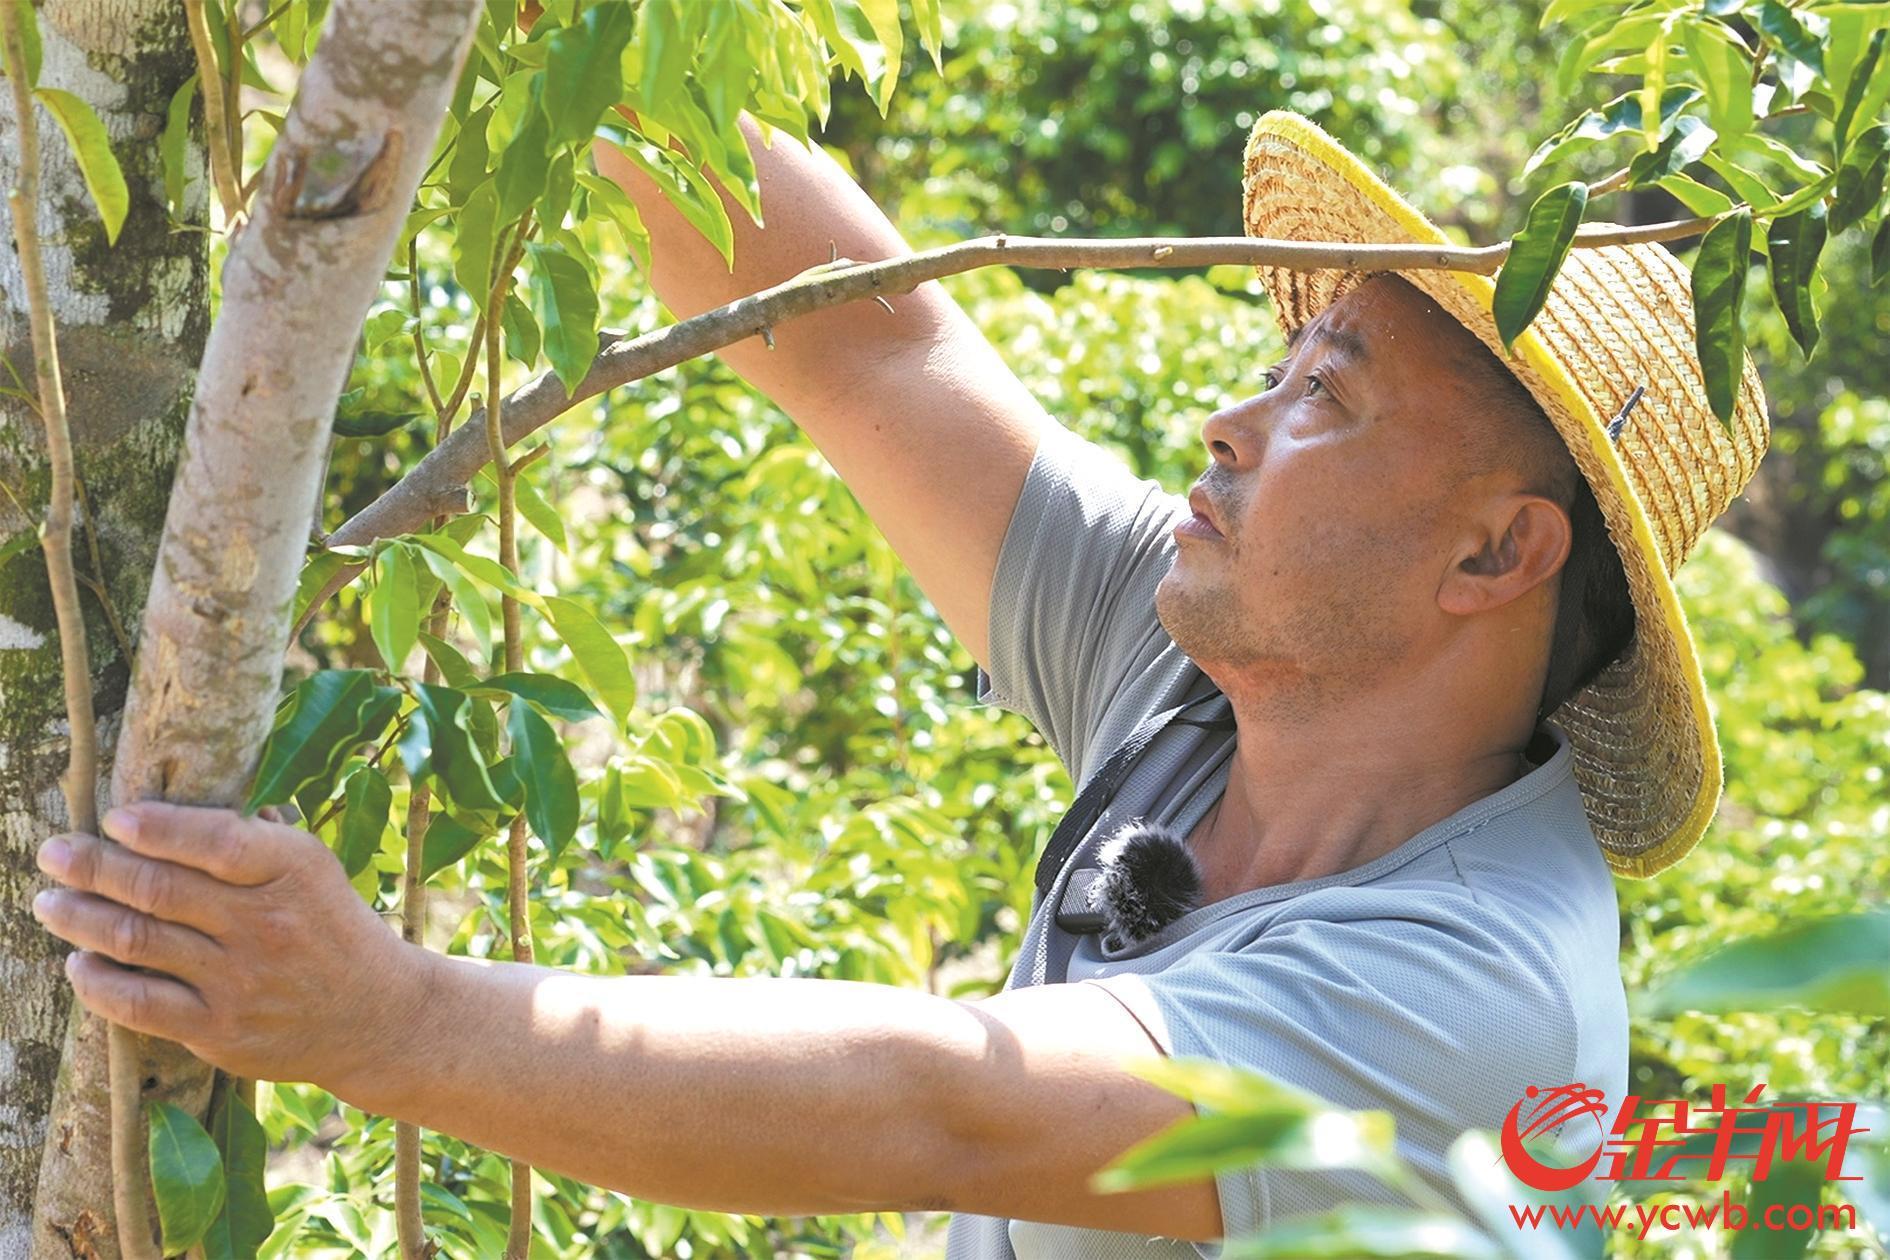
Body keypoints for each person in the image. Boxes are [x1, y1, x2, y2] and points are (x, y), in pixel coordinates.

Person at [30, 110, 1767, 1257]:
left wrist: (380, 1018)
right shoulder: (1216, 669)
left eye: (1331, 400)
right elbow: (869, 341)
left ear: (1492, 561)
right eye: (1273, 363)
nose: (1231, 424)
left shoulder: (1475, 995)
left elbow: (946, 1105)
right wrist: (570, 61)